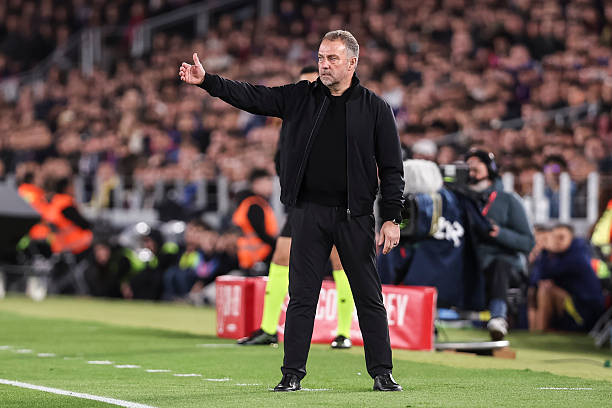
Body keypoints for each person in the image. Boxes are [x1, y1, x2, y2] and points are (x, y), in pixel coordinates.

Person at [179, 29, 404, 392]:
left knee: (369, 297)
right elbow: (254, 96)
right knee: (302, 297)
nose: (324, 64)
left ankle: (382, 372)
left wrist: (393, 217)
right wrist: (208, 82)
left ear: (352, 62)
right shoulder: (301, 96)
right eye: (321, 57)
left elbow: (393, 168)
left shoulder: (375, 108)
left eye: (332, 58)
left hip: (355, 216)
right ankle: (292, 374)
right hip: (308, 213)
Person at [237, 66, 355, 350]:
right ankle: (268, 329)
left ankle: (343, 332)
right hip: (302, 203)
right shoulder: (292, 120)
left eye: (311, 84)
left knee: (340, 262)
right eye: (302, 84)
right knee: (281, 257)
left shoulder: (341, 115)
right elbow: (282, 161)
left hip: (336, 202)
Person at [466, 149, 535, 340]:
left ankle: (498, 317)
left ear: (489, 170)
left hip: (504, 265)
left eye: (476, 169)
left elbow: (528, 242)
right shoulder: (462, 201)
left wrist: (500, 234)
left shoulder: (509, 200)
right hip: (474, 263)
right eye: (468, 169)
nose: (471, 173)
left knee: (500, 265)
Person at [528, 224, 604, 332]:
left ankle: (540, 332)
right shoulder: (557, 255)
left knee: (545, 289)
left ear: (571, 238)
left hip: (587, 311)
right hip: (571, 305)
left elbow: (547, 272)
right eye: (553, 237)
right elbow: (535, 280)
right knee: (537, 289)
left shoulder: (578, 252)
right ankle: (535, 331)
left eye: (561, 237)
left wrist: (544, 251)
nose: (557, 241)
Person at [232, 168, 278, 273]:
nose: (270, 185)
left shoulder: (249, 203)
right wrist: (277, 245)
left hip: (251, 258)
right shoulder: (254, 205)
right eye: (267, 181)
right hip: (260, 257)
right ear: (256, 183)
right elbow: (261, 233)